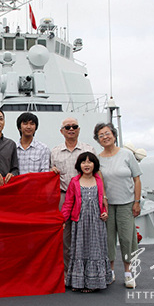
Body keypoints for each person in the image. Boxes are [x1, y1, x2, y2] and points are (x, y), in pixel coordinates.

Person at [94, 122, 142, 289]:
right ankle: (110, 270)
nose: (105, 137)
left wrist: (137, 201)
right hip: (107, 204)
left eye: (107, 133)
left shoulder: (126, 155)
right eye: (101, 135)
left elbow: (136, 179)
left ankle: (128, 272)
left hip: (126, 204)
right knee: (108, 239)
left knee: (127, 238)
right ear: (97, 140)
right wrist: (103, 198)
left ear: (114, 135)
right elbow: (99, 182)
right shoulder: (98, 159)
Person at [50, 117, 97, 282]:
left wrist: (102, 197)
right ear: (61, 131)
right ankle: (67, 274)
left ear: (79, 129)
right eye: (67, 127)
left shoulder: (88, 149)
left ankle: (86, 273)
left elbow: (97, 174)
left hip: (86, 196)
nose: (71, 129)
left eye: (74, 126)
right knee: (65, 237)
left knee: (86, 234)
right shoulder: (54, 152)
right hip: (64, 197)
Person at [61, 152, 112, 292]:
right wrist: (63, 219)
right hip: (80, 221)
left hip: (96, 221)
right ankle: (79, 281)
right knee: (79, 249)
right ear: (79, 165)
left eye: (90, 162)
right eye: (83, 162)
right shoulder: (74, 181)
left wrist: (104, 213)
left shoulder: (99, 181)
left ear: (94, 164)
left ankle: (93, 282)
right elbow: (68, 202)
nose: (87, 165)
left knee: (95, 250)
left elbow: (102, 202)